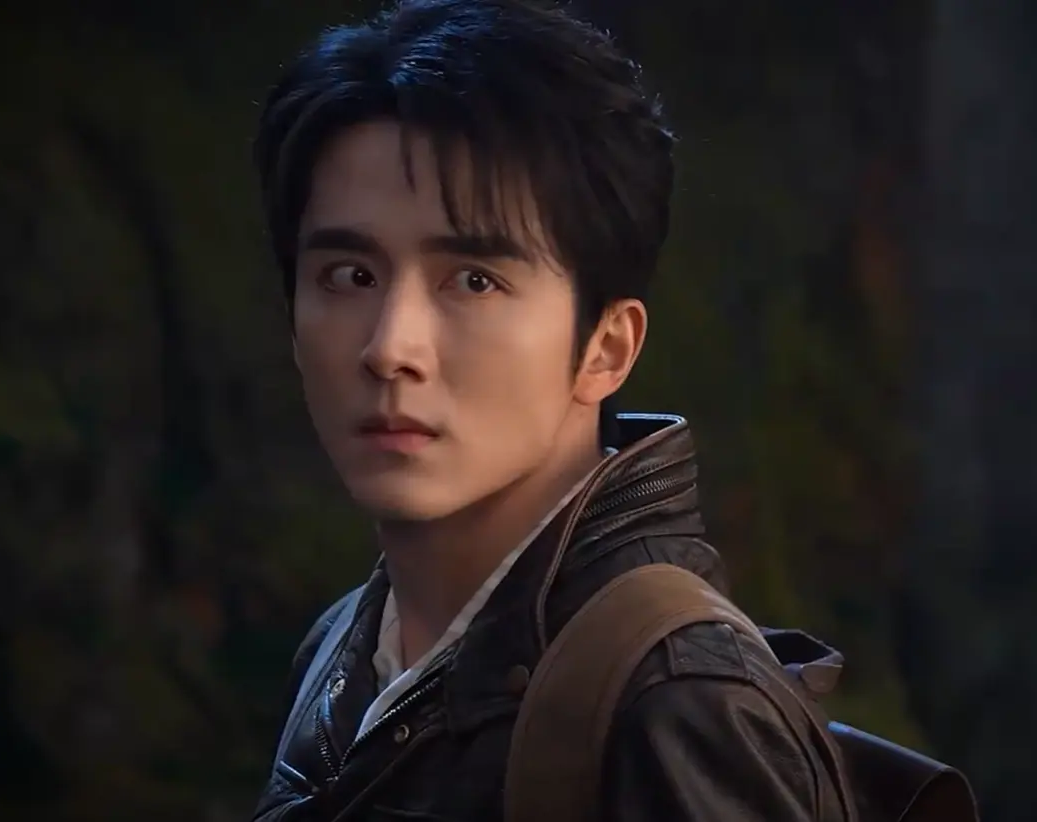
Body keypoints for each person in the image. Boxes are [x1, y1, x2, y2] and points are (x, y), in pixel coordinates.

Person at [251, 0, 855, 819]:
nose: (391, 347)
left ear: (606, 346)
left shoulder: (679, 703)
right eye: (350, 277)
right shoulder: (341, 650)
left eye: (474, 281)